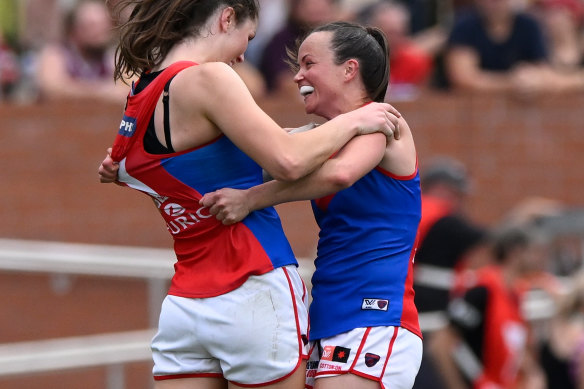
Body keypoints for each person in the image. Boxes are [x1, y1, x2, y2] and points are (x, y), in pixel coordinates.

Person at [98, 1, 401, 388]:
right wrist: (356, 118)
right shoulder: (210, 77)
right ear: (226, 17)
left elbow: (128, 166)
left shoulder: (141, 90)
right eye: (248, 36)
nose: (243, 53)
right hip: (252, 286)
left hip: (185, 304)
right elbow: (287, 161)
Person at [200, 21, 423, 389]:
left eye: (308, 64)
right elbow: (258, 146)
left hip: (375, 315)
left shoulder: (383, 120)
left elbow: (340, 174)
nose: (297, 76)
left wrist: (250, 199)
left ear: (349, 69)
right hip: (331, 319)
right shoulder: (331, 133)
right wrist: (136, 162)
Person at [429, 225, 547, 389]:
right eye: (536, 251)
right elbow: (440, 343)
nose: (542, 258)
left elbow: (514, 347)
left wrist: (533, 373)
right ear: (516, 252)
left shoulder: (516, 293)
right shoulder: (483, 289)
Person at [412, 157, 487, 389]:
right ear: (441, 188)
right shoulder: (443, 219)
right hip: (429, 324)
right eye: (457, 193)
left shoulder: (408, 213)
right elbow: (492, 243)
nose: (460, 202)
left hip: (408, 318)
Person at [443, 0, 555, 99]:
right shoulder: (464, 25)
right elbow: (464, 80)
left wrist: (533, 79)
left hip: (523, 113)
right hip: (471, 111)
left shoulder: (529, 26)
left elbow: (543, 74)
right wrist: (513, 82)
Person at [35, 0, 128, 103]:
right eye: (92, 25)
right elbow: (52, 89)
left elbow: (126, 91)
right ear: (74, 28)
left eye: (104, 25)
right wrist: (101, 91)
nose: (101, 32)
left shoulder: (111, 58)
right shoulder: (57, 53)